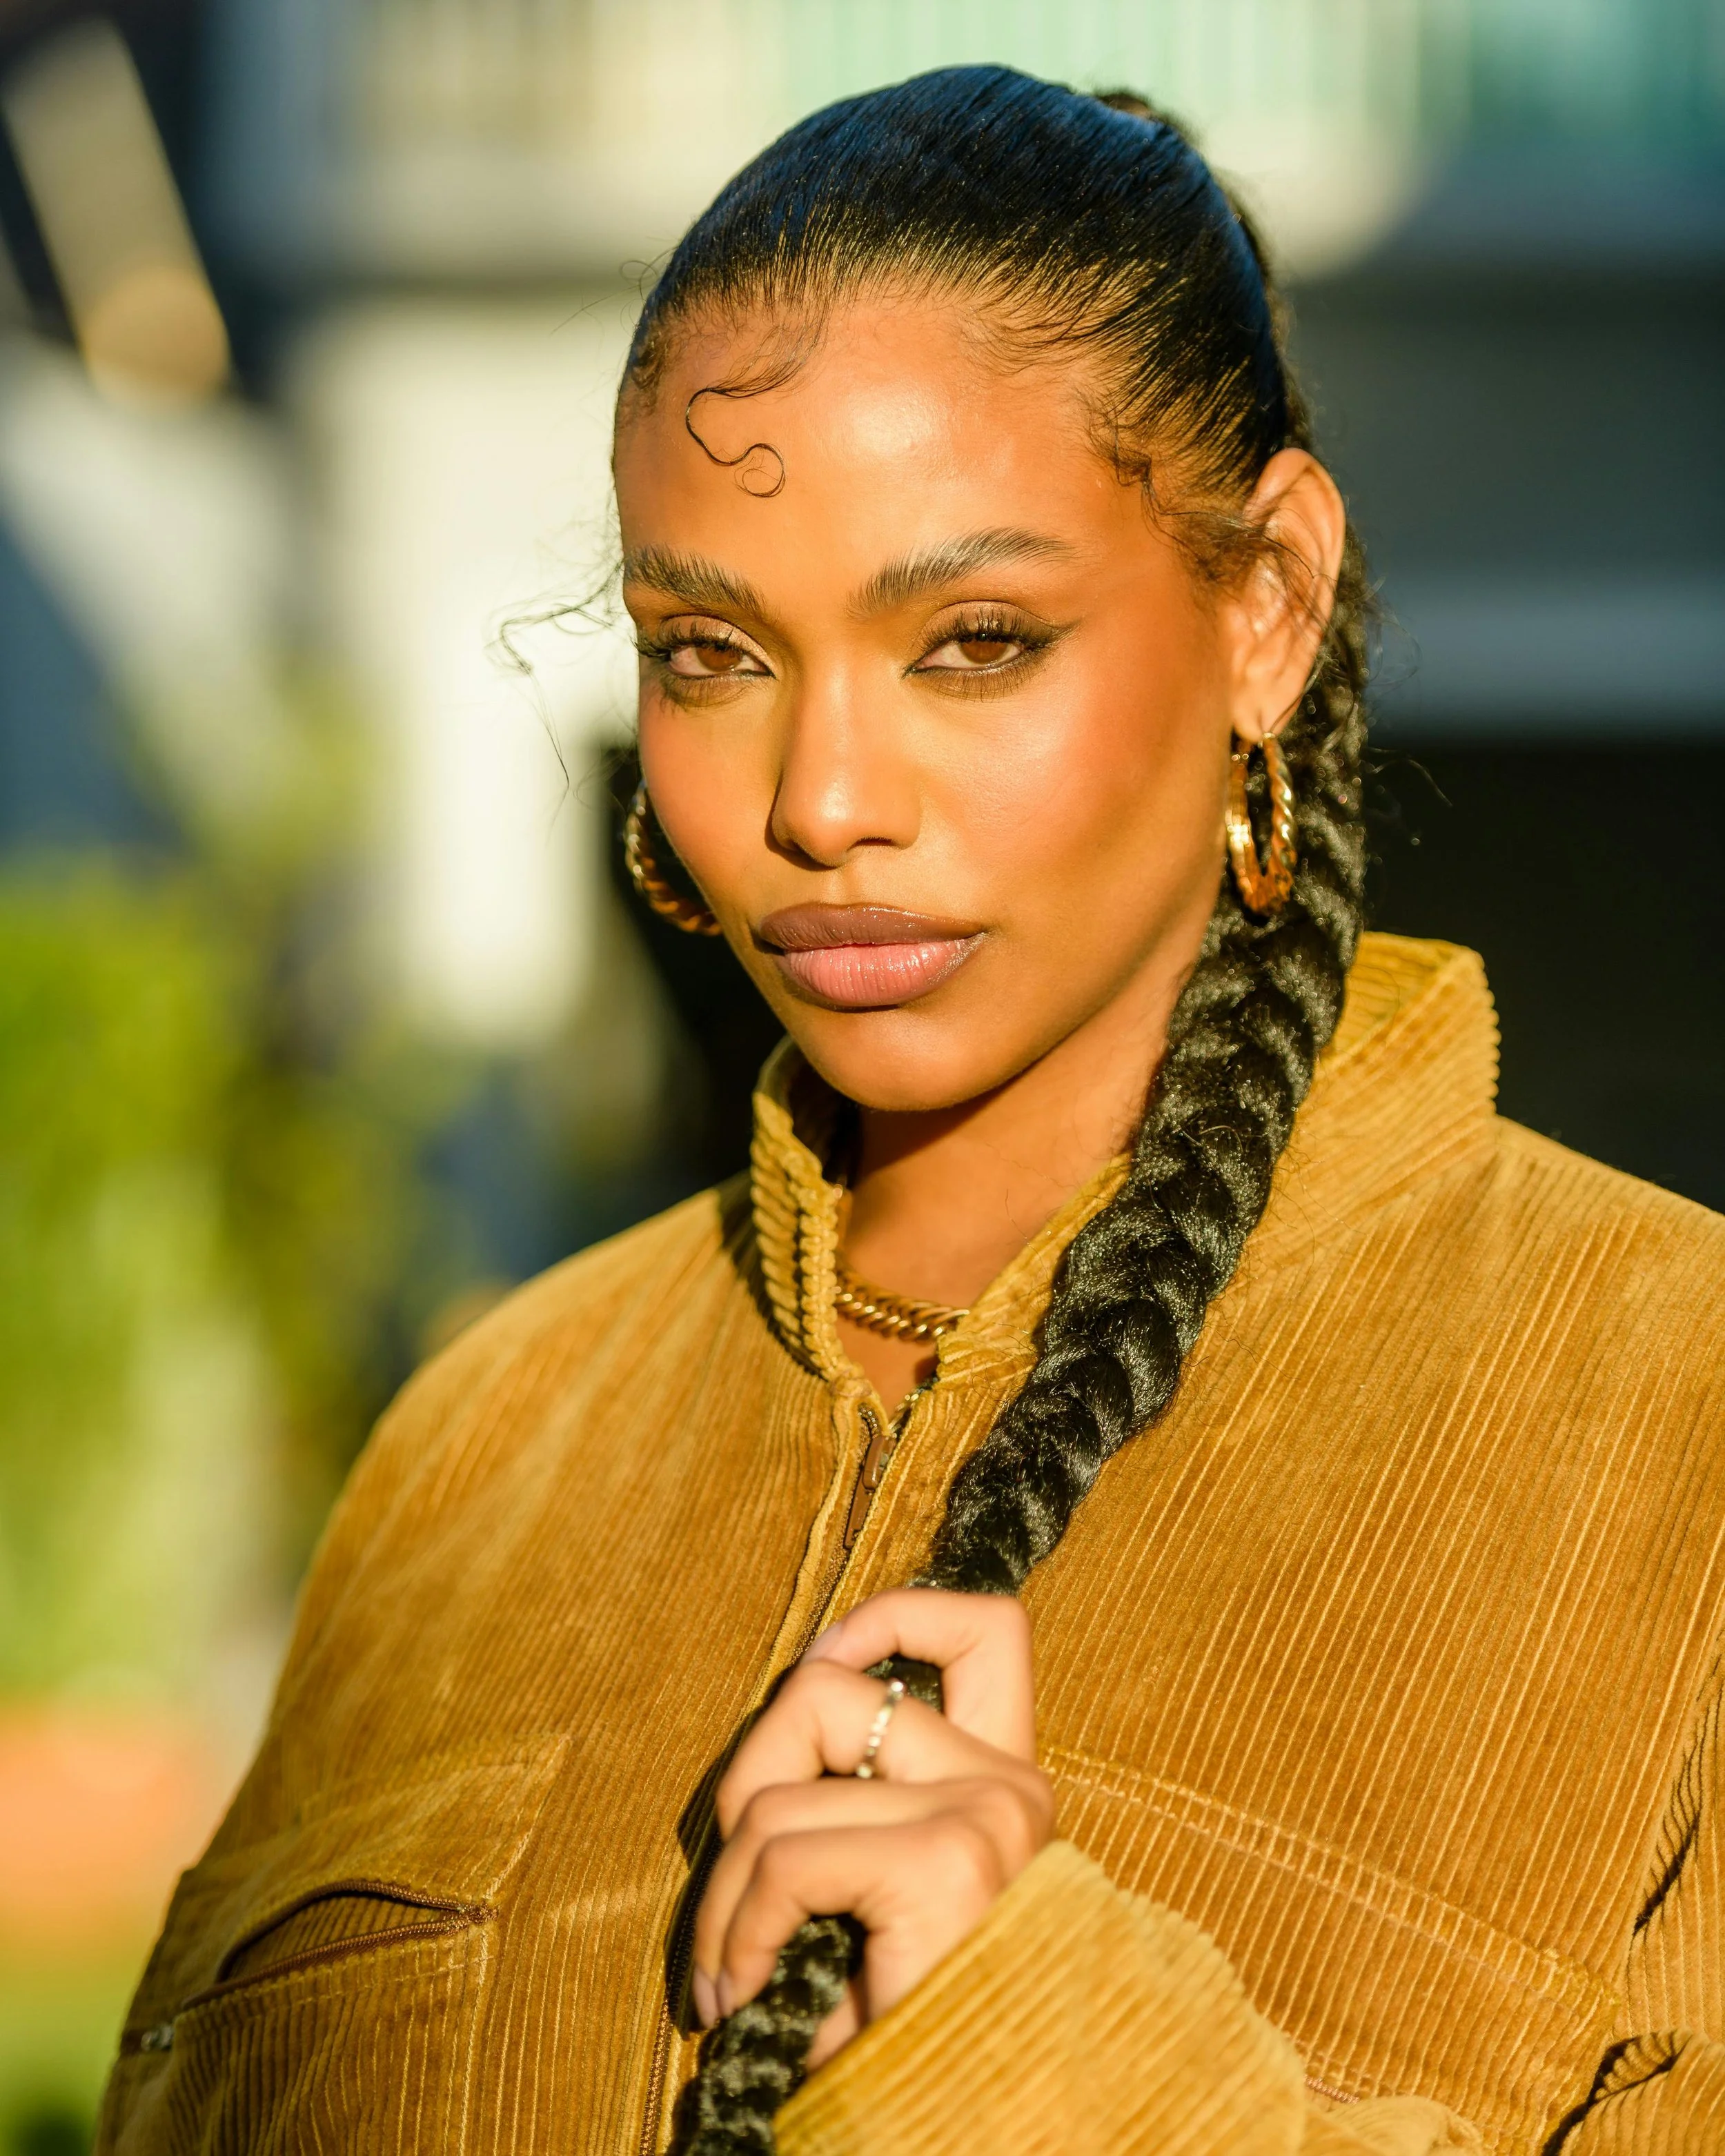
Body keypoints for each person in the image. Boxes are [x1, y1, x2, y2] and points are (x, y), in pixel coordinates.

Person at [98, 68, 1725, 2156]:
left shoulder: (1674, 1423)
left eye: (972, 639)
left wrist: (1030, 2045)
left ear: (1267, 605)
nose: (818, 799)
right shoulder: (479, 1443)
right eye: (707, 653)